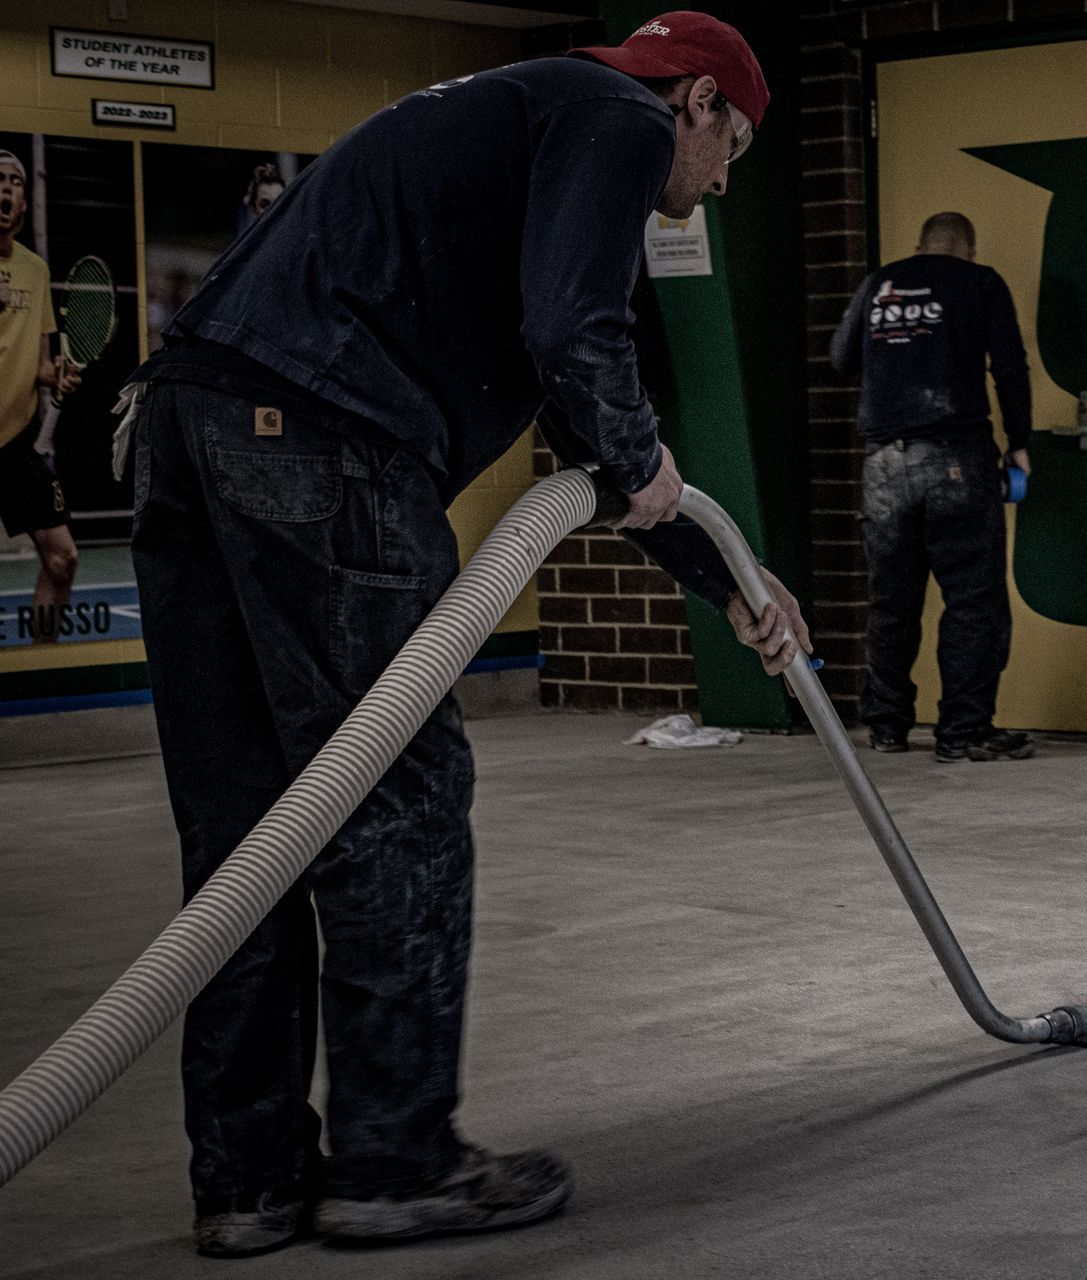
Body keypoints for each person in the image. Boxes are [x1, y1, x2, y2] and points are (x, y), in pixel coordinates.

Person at [123, 12, 808, 1257]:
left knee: (250, 826)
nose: (715, 185)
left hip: (189, 419)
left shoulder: (506, 120)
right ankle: (396, 1162)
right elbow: (577, 345)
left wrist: (730, 580)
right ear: (696, 100)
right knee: (398, 793)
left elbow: (579, 407)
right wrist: (647, 456)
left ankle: (249, 1176)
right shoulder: (614, 117)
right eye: (734, 148)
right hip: (326, 435)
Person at [830, 211, 1035, 763]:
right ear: (968, 250)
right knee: (972, 600)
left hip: (883, 466)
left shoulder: (880, 284)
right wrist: (1020, 441)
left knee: (892, 601)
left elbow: (839, 357)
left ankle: (888, 725)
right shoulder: (981, 282)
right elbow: (1010, 366)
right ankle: (964, 731)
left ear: (920, 245)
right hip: (956, 459)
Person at [0, 150, 81, 643]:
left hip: (14, 442)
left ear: (24, 202)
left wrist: (58, 376)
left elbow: (41, 362)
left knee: (62, 559)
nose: (4, 189)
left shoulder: (34, 269)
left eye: (14, 182)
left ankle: (43, 659)